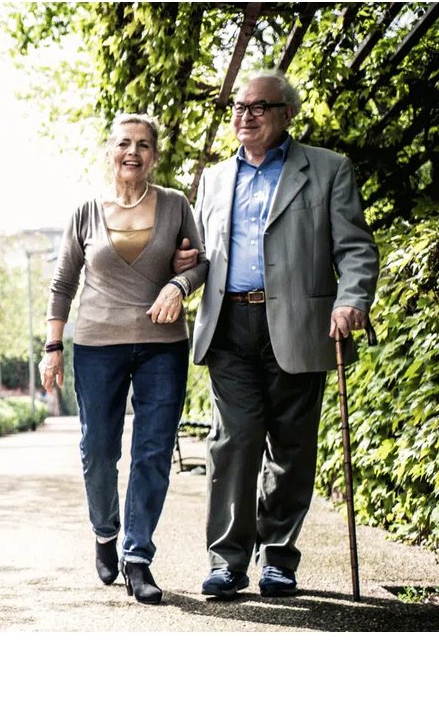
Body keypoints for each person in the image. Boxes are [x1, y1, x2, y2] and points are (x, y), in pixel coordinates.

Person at [178, 70, 379, 599]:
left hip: (300, 323)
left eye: (258, 107)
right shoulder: (215, 179)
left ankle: (278, 559)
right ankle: (227, 561)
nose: (245, 116)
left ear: (287, 114)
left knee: (291, 447)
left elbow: (355, 248)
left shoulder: (328, 169)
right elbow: (202, 255)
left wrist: (352, 299)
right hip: (229, 325)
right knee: (234, 442)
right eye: (239, 108)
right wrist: (182, 271)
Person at [43, 114, 208, 605]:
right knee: (98, 449)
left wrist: (179, 284)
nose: (132, 152)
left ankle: (137, 557)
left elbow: (200, 262)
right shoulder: (86, 212)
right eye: (123, 143)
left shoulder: (175, 205)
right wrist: (53, 348)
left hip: (163, 344)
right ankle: (105, 532)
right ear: (110, 151)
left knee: (153, 451)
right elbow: (63, 283)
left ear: (154, 155)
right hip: (97, 344)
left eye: (143, 145)